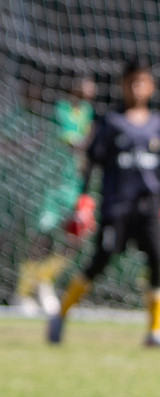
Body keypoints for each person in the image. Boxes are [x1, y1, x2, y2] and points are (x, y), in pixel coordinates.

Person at [49, 58, 160, 346]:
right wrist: (83, 199)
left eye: (142, 82)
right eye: (132, 82)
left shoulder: (157, 126)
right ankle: (61, 314)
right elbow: (92, 163)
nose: (137, 88)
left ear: (151, 87)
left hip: (148, 208)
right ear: (123, 86)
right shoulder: (111, 123)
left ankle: (155, 331)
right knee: (99, 262)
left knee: (157, 263)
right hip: (116, 207)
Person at [17, 75, 96, 312]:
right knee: (41, 238)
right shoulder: (59, 110)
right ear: (74, 86)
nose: (91, 88)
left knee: (78, 237)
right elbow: (73, 142)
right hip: (51, 185)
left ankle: (43, 279)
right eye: (86, 83)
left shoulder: (87, 112)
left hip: (74, 186)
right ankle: (22, 293)